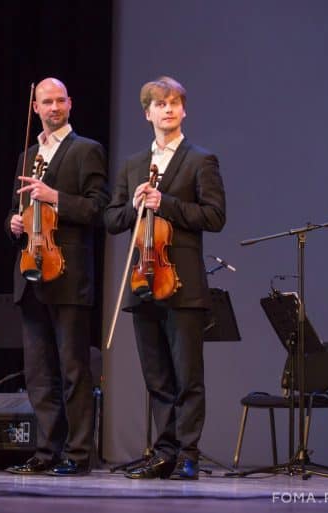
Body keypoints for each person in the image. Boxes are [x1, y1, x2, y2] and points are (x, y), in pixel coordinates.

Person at [105, 76, 226, 480]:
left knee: (187, 375)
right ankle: (165, 452)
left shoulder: (200, 160)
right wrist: (135, 202)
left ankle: (188, 453)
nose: (168, 109)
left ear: (183, 110)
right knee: (156, 377)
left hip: (184, 284)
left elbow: (214, 216)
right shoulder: (134, 164)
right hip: (143, 281)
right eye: (160, 104)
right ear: (148, 113)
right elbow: (113, 218)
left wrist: (167, 203)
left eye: (175, 103)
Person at [5, 78, 109, 476]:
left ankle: (78, 454)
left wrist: (55, 198)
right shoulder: (27, 154)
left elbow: (99, 209)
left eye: (59, 100)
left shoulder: (86, 150)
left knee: (73, 371)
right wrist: (11, 223)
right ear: (35, 107)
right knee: (38, 375)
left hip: (67, 275)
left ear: (70, 103)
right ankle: (46, 450)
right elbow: (15, 209)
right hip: (30, 274)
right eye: (45, 102)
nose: (53, 107)